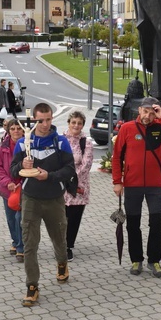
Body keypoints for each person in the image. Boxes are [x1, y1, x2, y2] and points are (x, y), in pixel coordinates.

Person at [10, 103, 76, 307]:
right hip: (30, 198)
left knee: (59, 238)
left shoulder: (61, 141)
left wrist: (50, 176)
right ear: (33, 120)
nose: (45, 124)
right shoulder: (23, 142)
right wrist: (22, 165)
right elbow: (13, 170)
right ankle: (32, 286)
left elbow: (70, 170)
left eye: (48, 119)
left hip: (54, 198)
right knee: (30, 243)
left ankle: (62, 263)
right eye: (41, 120)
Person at [112, 96, 161, 277]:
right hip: (132, 184)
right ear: (139, 110)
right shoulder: (127, 128)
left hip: (155, 185)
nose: (148, 116)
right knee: (133, 224)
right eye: (145, 111)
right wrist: (117, 182)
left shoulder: (160, 126)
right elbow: (117, 156)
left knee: (156, 223)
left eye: (152, 113)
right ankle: (136, 260)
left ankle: (154, 260)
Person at [63, 111, 94, 261]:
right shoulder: (60, 140)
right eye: (73, 122)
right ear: (68, 123)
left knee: (74, 218)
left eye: (79, 123)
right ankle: (60, 244)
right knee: (60, 217)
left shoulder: (86, 142)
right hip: (60, 185)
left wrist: (72, 179)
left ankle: (68, 246)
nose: (76, 125)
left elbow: (86, 164)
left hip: (78, 186)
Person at [0, 118, 25, 262]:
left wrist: (21, 183)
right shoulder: (3, 148)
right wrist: (8, 183)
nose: (16, 131)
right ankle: (15, 241)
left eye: (18, 128)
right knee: (11, 218)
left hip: (23, 188)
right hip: (8, 189)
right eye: (13, 129)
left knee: (20, 218)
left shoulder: (27, 146)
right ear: (8, 131)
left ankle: (20, 247)